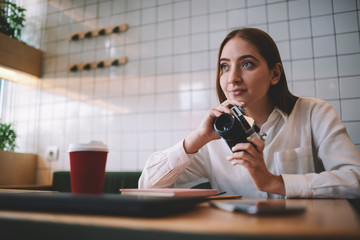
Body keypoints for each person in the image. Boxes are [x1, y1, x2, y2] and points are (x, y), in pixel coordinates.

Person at [139, 28, 360, 198]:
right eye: (224, 67)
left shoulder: (314, 113)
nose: (232, 77)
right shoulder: (213, 137)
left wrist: (275, 183)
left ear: (275, 74)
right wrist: (197, 138)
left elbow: (355, 179)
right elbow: (147, 187)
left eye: (246, 64)